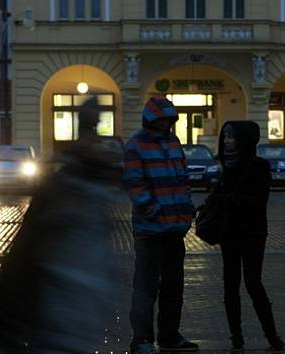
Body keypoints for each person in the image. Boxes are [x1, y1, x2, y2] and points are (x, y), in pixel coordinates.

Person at [0, 97, 119, 353]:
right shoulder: (65, 195)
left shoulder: (82, 198)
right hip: (58, 322)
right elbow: (25, 254)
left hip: (73, 321)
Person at [124, 97, 197, 354]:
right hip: (150, 231)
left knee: (173, 286)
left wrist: (186, 210)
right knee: (146, 286)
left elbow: (184, 180)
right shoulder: (136, 145)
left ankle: (169, 335)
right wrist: (152, 211)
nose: (165, 124)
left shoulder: (174, 143)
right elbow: (135, 184)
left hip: (175, 229)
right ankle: (142, 339)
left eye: (168, 120)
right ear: (151, 119)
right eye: (161, 119)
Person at [210, 121, 285, 352]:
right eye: (225, 136)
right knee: (230, 286)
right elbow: (218, 196)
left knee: (253, 283)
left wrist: (230, 200)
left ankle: (272, 336)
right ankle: (236, 337)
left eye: (231, 137)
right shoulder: (224, 165)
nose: (226, 141)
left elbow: (258, 201)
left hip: (253, 233)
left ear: (244, 139)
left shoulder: (258, 166)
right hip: (229, 234)